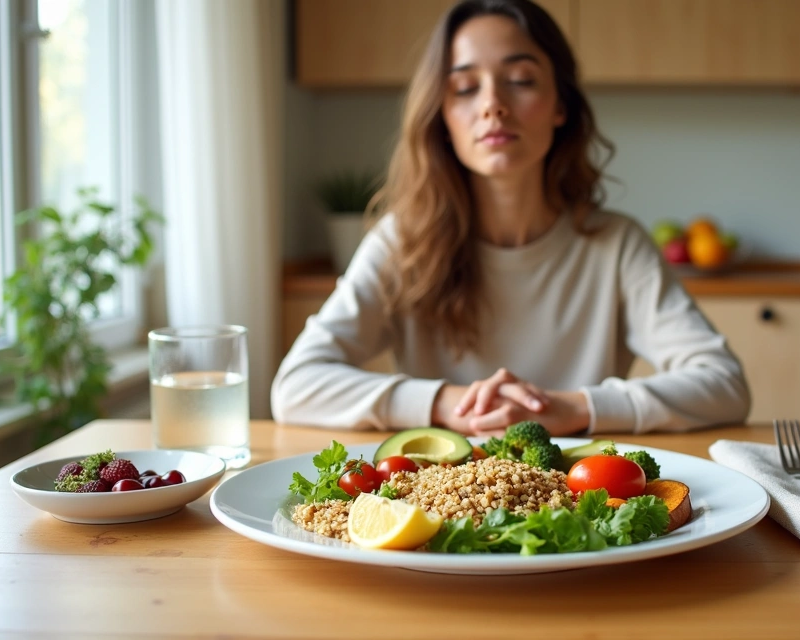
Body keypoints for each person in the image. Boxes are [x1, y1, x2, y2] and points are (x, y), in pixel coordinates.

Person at [272, 0, 750, 436]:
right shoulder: (402, 242)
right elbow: (296, 386)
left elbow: (724, 384)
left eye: (520, 80)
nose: (492, 105)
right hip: (438, 498)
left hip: (582, 498)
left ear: (561, 105)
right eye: (464, 87)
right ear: (441, 115)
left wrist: (578, 407)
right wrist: (446, 403)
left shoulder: (616, 244)